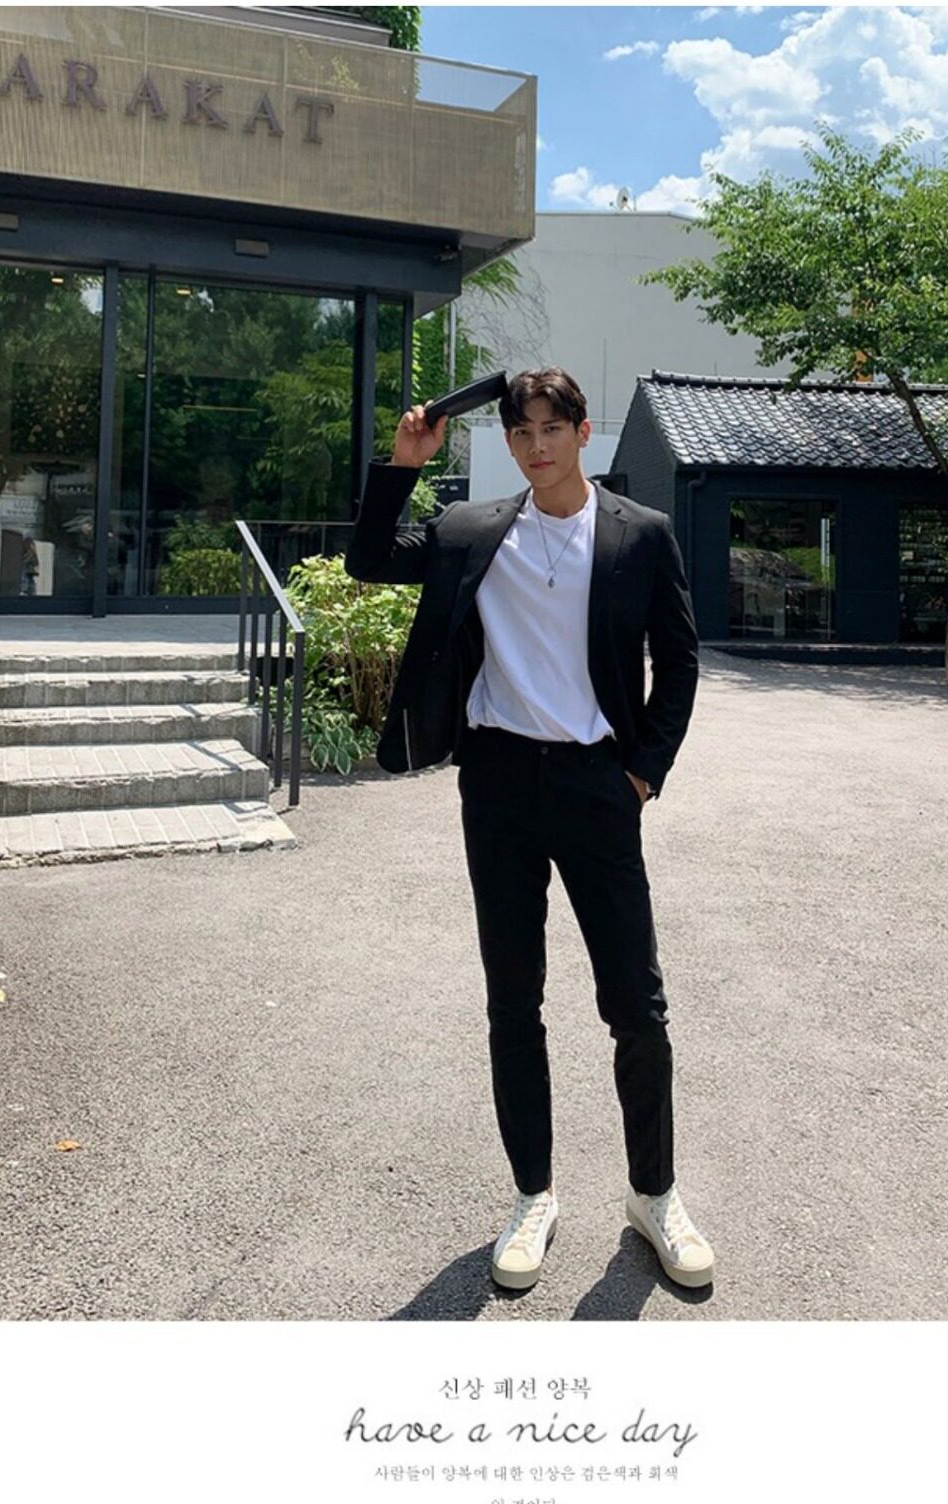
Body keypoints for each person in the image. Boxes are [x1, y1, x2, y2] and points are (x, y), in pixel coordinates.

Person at [345, 367, 713, 1292]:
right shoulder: (474, 530)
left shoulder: (640, 533)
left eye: (552, 429)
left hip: (598, 785)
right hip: (500, 783)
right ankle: (533, 1196)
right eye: (521, 432)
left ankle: (655, 1194)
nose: (536, 445)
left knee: (637, 1005)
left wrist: (642, 773)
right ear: (508, 443)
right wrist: (403, 464)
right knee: (514, 1000)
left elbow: (678, 659)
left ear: (584, 434)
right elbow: (369, 558)